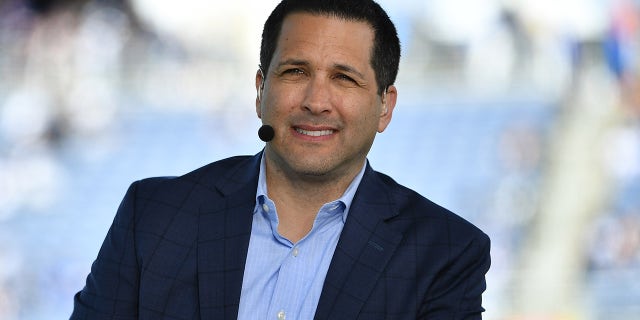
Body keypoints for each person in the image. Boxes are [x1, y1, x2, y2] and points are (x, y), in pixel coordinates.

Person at [70, 0, 491, 319]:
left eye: (344, 78)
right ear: (260, 89)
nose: (316, 101)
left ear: (385, 106)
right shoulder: (154, 215)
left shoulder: (445, 252)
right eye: (295, 72)